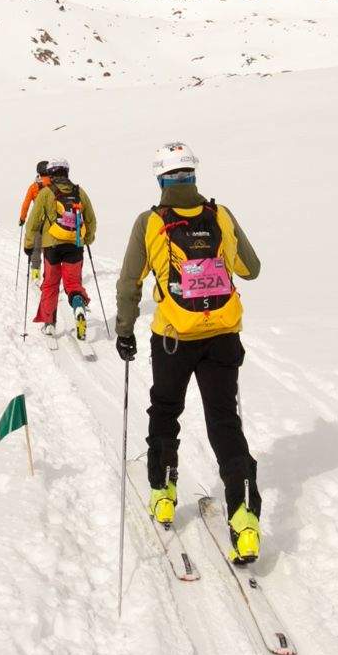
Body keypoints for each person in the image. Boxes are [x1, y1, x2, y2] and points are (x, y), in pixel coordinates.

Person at [114, 141, 266, 563]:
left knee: (165, 410)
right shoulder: (221, 216)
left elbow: (129, 282)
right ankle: (245, 520)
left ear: (160, 179)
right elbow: (251, 269)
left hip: (173, 338)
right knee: (224, 421)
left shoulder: (150, 222)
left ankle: (163, 495)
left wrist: (125, 330)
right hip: (223, 335)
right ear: (193, 174)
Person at [21, 159, 96, 337]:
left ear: (52, 174)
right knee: (73, 283)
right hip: (75, 245)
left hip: (52, 246)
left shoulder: (45, 193)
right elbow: (91, 219)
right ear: (67, 172)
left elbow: (33, 222)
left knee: (51, 284)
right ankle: (78, 307)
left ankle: (49, 323)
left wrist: (29, 245)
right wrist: (87, 239)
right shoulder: (79, 192)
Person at [16, 159, 51, 284]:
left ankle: (35, 276)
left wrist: (22, 218)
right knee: (49, 250)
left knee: (36, 250)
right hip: (51, 222)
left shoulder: (34, 187)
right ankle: (49, 276)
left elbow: (26, 204)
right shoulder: (53, 185)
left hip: (37, 221)